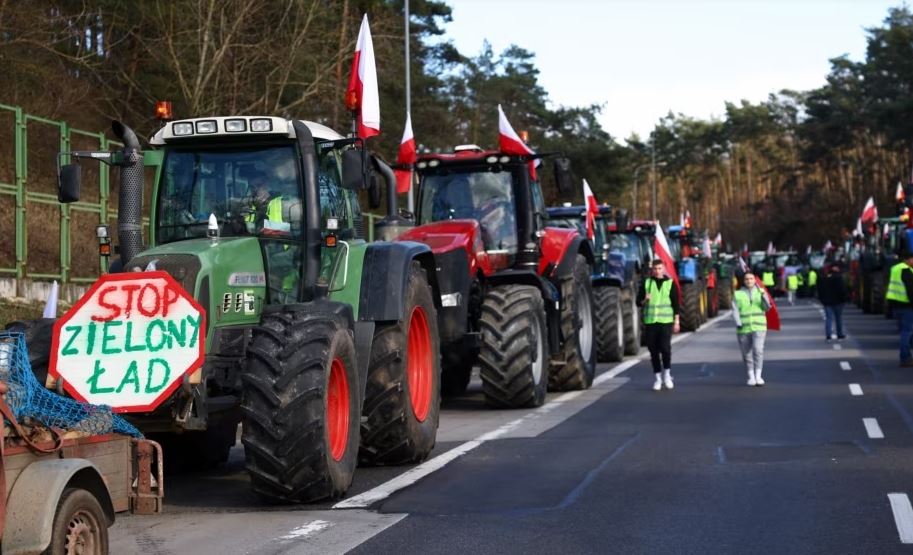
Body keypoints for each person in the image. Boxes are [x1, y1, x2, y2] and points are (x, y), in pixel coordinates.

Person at [638, 259, 681, 391]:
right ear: (652, 270)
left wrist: (677, 321)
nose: (657, 271)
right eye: (655, 269)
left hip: (666, 322)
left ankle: (667, 375)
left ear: (663, 269)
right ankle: (658, 378)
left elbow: (675, 304)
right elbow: (637, 302)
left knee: (665, 349)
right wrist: (645, 299)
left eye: (660, 268)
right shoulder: (646, 283)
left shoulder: (670, 283)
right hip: (651, 322)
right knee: (653, 351)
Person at [732, 272, 772, 386]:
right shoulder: (737, 294)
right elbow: (734, 310)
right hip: (743, 328)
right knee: (746, 354)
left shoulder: (760, 292)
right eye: (746, 279)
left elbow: (767, 308)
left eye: (751, 279)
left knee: (758, 350)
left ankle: (758, 376)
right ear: (743, 281)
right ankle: (751, 376)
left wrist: (764, 296)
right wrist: (738, 322)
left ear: (755, 280)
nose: (749, 281)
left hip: (759, 327)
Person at [885, 252, 913, 367]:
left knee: (905, 331)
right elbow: (910, 290)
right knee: (906, 332)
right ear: (909, 259)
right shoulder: (906, 270)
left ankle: (906, 356)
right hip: (906, 305)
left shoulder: (895, 268)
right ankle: (905, 357)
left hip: (897, 306)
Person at [817, 263, 847, 341]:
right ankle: (839, 334)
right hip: (838, 301)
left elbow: (820, 290)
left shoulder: (824, 278)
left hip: (827, 302)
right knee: (838, 318)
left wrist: (822, 299)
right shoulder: (839, 278)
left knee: (829, 318)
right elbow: (842, 290)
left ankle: (828, 335)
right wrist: (844, 299)